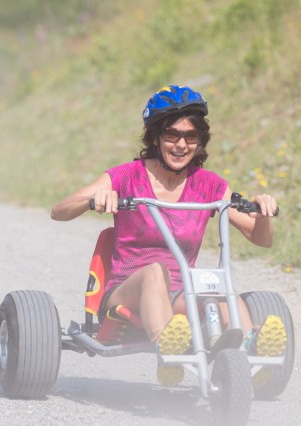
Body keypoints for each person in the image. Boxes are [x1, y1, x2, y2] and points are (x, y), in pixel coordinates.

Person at [50, 85, 284, 385]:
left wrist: (263, 214)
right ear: (156, 137)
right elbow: (59, 211)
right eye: (172, 135)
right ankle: (169, 352)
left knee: (218, 289)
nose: (180, 145)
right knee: (154, 272)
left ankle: (252, 349)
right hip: (127, 291)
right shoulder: (125, 177)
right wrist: (94, 198)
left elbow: (261, 239)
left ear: (199, 141)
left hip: (178, 296)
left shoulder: (208, 185)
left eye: (190, 136)